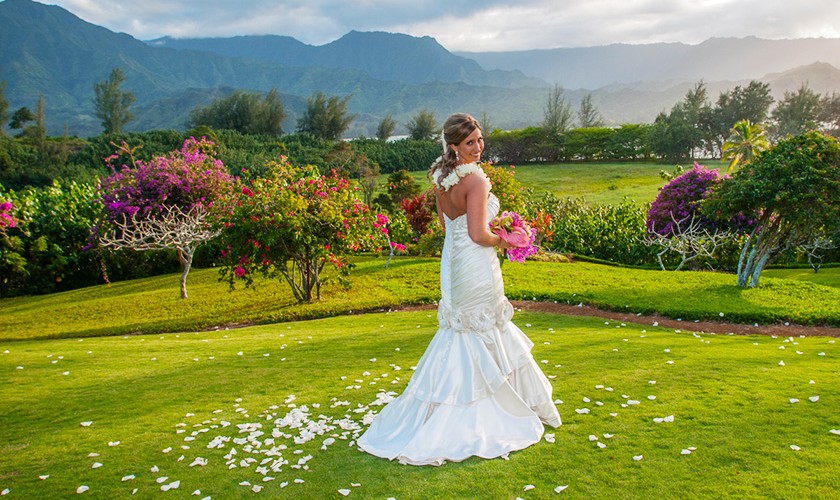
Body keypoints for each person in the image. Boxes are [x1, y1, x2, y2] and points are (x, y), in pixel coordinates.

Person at [357, 113, 561, 466]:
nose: (479, 147)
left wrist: (489, 228)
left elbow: (446, 224)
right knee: (484, 327)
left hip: (453, 264)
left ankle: (445, 402)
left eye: (480, 140)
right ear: (454, 146)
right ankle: (485, 413)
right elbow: (477, 234)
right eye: (471, 143)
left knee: (461, 330)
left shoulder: (441, 177)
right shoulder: (477, 181)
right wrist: (507, 238)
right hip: (476, 264)